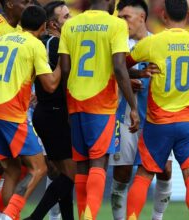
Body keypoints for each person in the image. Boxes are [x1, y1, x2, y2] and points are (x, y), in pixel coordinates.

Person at [125, 0, 189, 219]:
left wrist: (141, 73)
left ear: (163, 15)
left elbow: (122, 64)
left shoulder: (152, 43)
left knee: (144, 174)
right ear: (188, 15)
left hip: (157, 123)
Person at [0, 5, 60, 220]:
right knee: (39, 169)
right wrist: (64, 59)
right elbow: (51, 85)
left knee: (12, 171)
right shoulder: (35, 45)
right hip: (11, 114)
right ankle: (9, 217)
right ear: (43, 26)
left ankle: (3, 216)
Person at [58, 0, 140, 218]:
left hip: (75, 100)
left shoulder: (70, 25)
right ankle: (89, 216)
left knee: (82, 163)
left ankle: (84, 214)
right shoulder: (116, 25)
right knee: (99, 161)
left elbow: (65, 69)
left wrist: (69, 102)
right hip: (101, 102)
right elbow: (119, 67)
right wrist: (133, 106)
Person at [109, 1, 172, 220]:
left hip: (157, 118)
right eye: (119, 17)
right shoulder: (118, 44)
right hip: (125, 117)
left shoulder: (159, 44)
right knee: (122, 174)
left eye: (125, 17)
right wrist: (126, 80)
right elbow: (110, 74)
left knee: (164, 171)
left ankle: (157, 218)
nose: (121, 22)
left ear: (142, 18)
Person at [24, 1, 74, 220]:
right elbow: (62, 78)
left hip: (45, 112)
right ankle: (35, 217)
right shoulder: (54, 44)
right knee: (73, 174)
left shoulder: (39, 42)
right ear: (53, 23)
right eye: (66, 17)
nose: (70, 20)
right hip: (56, 113)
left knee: (63, 175)